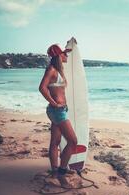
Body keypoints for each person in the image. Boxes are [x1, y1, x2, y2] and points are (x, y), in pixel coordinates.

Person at [39, 43, 77, 186]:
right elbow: (42, 88)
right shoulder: (52, 69)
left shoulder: (58, 70)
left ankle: (55, 171)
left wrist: (69, 45)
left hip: (59, 110)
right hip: (57, 111)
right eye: (64, 53)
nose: (66, 55)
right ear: (58, 56)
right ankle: (61, 172)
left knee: (55, 142)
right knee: (73, 141)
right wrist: (54, 103)